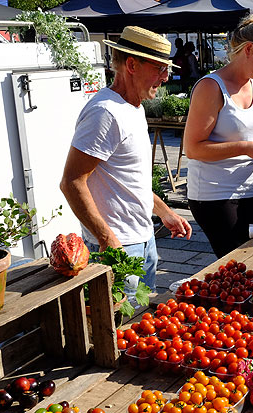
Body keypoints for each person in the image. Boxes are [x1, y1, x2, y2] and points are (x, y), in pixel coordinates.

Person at [60, 26, 193, 291]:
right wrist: (107, 239)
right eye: (159, 69)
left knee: (140, 324)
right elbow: (71, 182)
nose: (165, 78)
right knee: (119, 326)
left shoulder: (134, 108)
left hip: (144, 239)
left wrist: (164, 211)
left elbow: (128, 178)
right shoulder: (105, 112)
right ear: (131, 64)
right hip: (118, 246)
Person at [183, 15, 253, 258]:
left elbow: (251, 134)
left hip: (249, 189)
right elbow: (194, 148)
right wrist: (245, 148)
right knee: (235, 264)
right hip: (215, 194)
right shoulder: (210, 87)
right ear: (249, 49)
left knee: (248, 262)